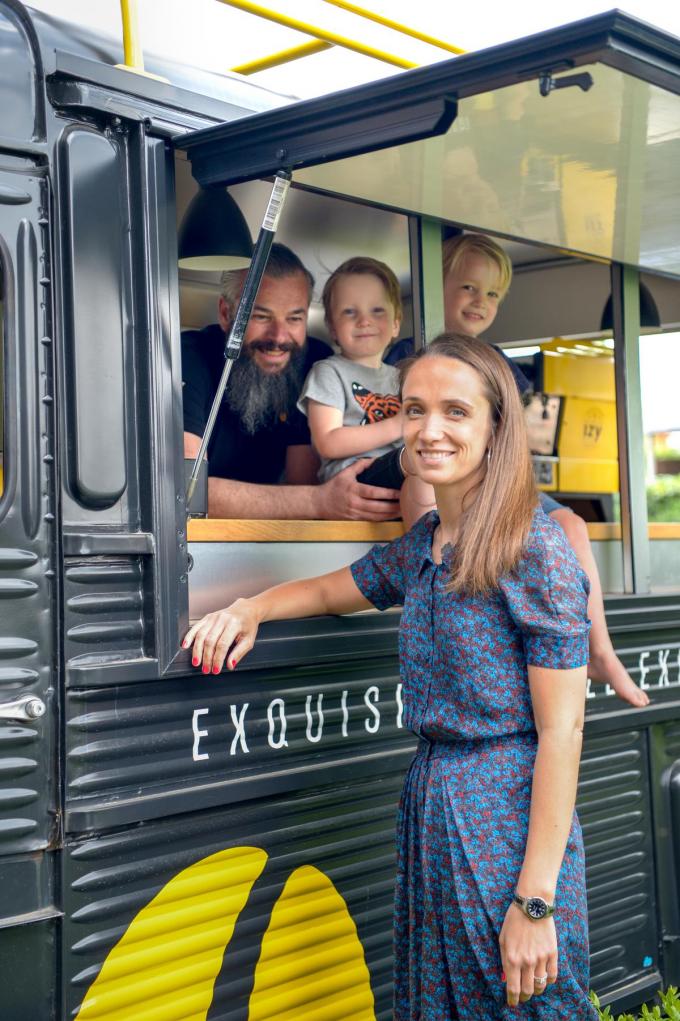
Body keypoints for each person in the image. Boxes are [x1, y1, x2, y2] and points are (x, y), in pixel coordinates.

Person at [183, 335, 598, 1020]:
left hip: (508, 820)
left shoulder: (534, 547)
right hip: (434, 810)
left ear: (497, 427)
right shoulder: (428, 541)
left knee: (519, 1001)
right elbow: (327, 590)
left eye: (456, 411)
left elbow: (563, 729)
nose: (429, 430)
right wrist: (248, 607)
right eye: (414, 409)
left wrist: (535, 900)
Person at [401, 232, 648, 708]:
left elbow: (520, 440)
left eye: (492, 294)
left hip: (497, 480)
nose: (481, 301)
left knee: (571, 523)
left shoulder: (503, 369)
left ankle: (599, 648)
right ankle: (437, 596)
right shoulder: (413, 356)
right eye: (469, 287)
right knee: (420, 492)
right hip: (439, 473)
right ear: (438, 282)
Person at [182, 243, 401, 521]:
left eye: (295, 318)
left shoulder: (314, 360)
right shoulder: (189, 358)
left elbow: (301, 484)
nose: (279, 337)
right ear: (226, 314)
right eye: (261, 316)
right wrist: (319, 502)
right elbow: (186, 490)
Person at [297, 256, 407, 493]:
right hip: (353, 476)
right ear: (332, 327)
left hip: (401, 471)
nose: (364, 321)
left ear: (396, 324)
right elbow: (327, 443)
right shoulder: (328, 372)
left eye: (377, 310)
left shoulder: (402, 377)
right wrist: (397, 426)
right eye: (349, 312)